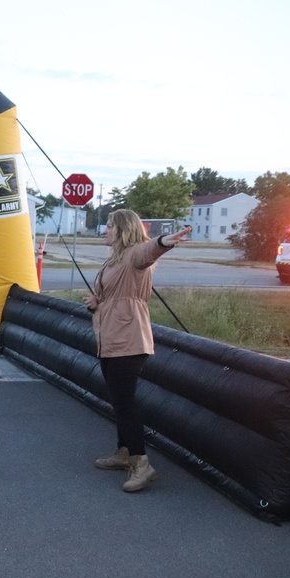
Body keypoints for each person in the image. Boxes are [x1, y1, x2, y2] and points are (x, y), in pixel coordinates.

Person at [83, 211, 192, 492]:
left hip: (128, 340)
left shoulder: (134, 255)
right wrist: (98, 302)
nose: (105, 230)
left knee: (125, 402)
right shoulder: (116, 259)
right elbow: (114, 294)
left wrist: (165, 241)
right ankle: (123, 452)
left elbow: (149, 251)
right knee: (118, 400)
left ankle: (141, 464)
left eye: (109, 226)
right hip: (111, 338)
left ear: (123, 230)